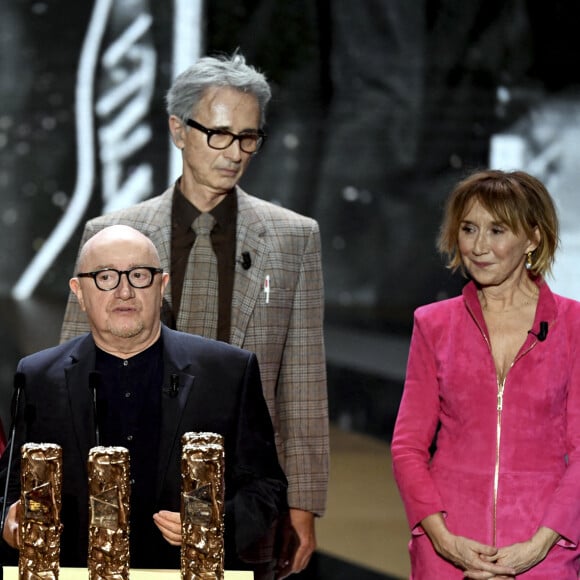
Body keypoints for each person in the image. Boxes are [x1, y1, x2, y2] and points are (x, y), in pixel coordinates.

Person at [60, 51, 329, 578]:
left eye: (249, 137)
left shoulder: (294, 238)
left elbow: (302, 383)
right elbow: (70, 372)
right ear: (178, 129)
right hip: (129, 478)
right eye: (220, 134)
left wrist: (304, 504)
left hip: (242, 492)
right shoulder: (111, 234)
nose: (235, 153)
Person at [0, 225, 287, 573]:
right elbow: (10, 486)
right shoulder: (37, 375)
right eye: (105, 276)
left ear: (161, 285)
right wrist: (10, 520)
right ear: (79, 291)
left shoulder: (228, 371)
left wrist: (210, 522)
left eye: (139, 275)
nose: (124, 291)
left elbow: (266, 487)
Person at [391, 169, 580, 578]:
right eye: (469, 229)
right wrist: (443, 539)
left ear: (533, 237)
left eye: (497, 230)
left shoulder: (574, 325)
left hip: (544, 555)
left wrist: (538, 547)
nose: (479, 247)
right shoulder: (433, 324)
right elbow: (408, 446)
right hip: (447, 551)